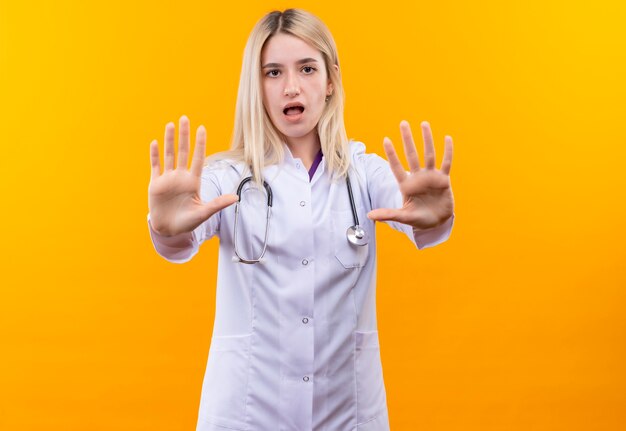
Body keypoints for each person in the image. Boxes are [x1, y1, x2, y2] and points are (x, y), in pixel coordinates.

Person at [147, 8, 455, 431]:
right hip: (247, 412)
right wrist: (167, 227)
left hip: (347, 412)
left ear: (330, 81)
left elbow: (416, 216)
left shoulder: (366, 173)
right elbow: (181, 237)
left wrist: (435, 219)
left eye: (307, 69)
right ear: (256, 87)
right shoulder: (227, 178)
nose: (291, 87)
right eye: (273, 73)